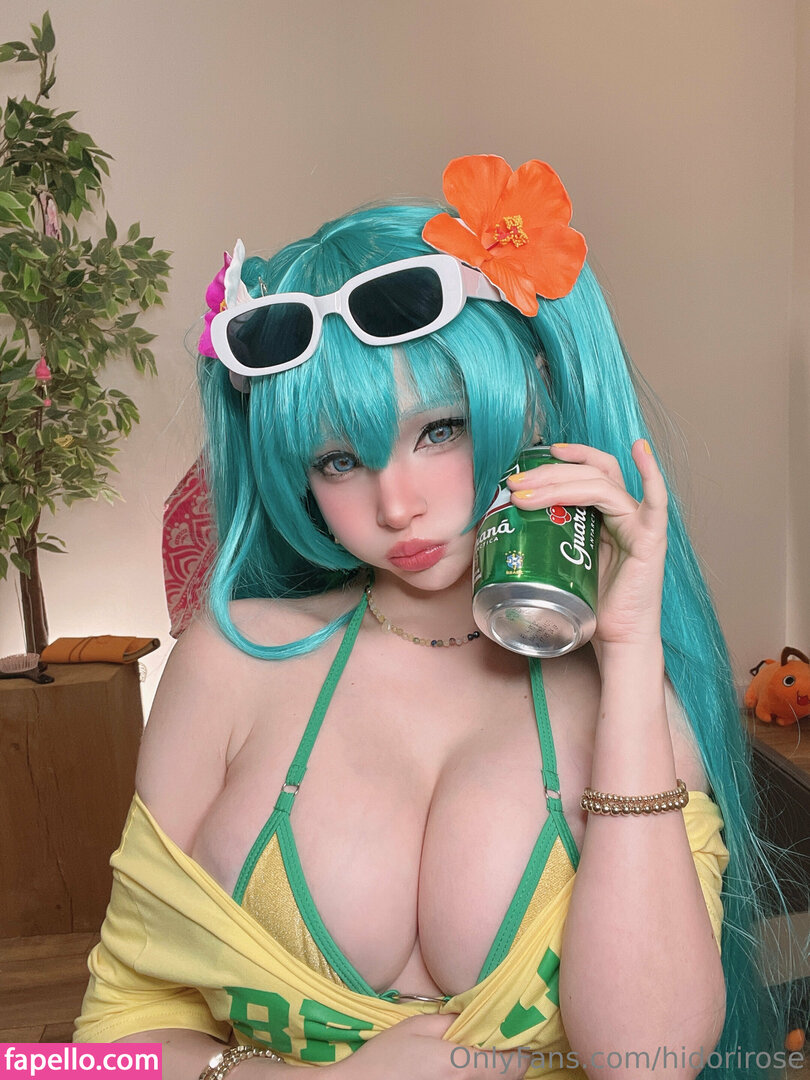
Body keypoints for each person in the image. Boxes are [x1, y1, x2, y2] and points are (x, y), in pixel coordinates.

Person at [75, 156, 778, 1079]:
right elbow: (98, 1053)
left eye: (438, 430)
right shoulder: (231, 660)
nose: (397, 504)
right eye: (338, 460)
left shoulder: (632, 695)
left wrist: (630, 651)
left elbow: (647, 1063)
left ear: (527, 396)